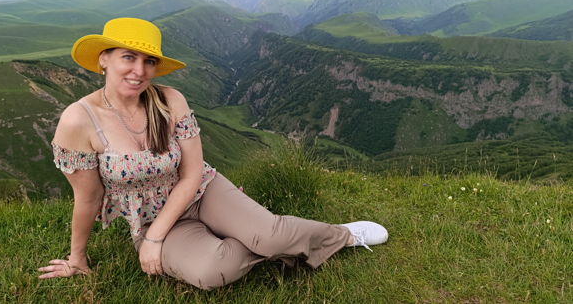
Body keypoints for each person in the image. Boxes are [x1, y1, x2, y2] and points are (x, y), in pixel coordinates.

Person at [38, 17, 388, 289]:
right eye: (128, 58)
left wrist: (156, 240)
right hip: (148, 218)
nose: (139, 71)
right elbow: (88, 198)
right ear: (104, 59)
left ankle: (341, 235)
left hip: (201, 192)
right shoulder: (78, 120)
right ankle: (263, 238)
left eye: (149, 61)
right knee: (213, 272)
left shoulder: (170, 100)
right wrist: (77, 258)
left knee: (271, 234)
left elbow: (192, 174)